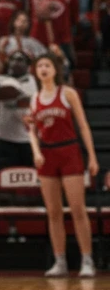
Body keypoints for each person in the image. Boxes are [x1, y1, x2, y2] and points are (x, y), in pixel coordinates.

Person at [28, 54, 98, 278]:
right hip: (47, 155)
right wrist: (36, 152)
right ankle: (60, 260)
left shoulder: (68, 93)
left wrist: (93, 157)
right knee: (53, 212)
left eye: (47, 65)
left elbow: (84, 126)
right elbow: (33, 131)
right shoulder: (35, 98)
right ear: (36, 72)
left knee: (78, 209)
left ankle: (87, 259)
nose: (44, 69)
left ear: (55, 70)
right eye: (40, 66)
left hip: (69, 151)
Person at [0, 52, 38, 174]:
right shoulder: (2, 79)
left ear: (28, 65)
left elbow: (18, 98)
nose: (15, 62)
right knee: (4, 178)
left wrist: (17, 99)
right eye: (13, 59)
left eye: (20, 60)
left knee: (29, 181)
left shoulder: (32, 81)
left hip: (27, 140)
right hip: (4, 139)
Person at [28, 0, 79, 70]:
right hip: (37, 39)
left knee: (63, 74)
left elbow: (74, 20)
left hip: (62, 41)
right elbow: (28, 15)